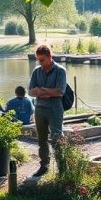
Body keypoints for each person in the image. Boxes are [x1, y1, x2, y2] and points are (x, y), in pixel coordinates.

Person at [28, 45, 67, 177]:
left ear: (50, 57)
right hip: (39, 109)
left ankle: (62, 169)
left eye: (42, 60)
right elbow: (30, 91)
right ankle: (44, 166)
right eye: (38, 60)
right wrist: (46, 92)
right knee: (42, 140)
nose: (40, 63)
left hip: (55, 109)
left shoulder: (60, 71)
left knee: (56, 138)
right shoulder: (36, 71)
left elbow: (60, 91)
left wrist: (41, 90)